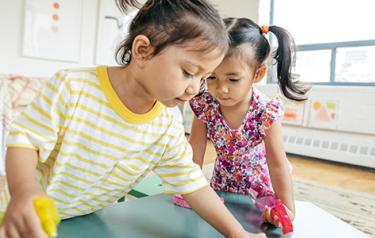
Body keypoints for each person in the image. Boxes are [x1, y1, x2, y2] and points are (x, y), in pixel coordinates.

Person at [0, 1, 266, 237]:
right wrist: (23, 192)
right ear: (142, 51)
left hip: (80, 220)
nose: (194, 89)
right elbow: (25, 141)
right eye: (188, 72)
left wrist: (237, 234)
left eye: (203, 78)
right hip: (17, 213)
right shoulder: (72, 87)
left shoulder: (166, 127)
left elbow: (193, 183)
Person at [188, 17, 310, 227]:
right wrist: (189, 189)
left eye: (233, 79)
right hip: (221, 185)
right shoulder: (205, 105)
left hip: (261, 192)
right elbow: (195, 149)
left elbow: (278, 164)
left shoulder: (265, 112)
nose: (221, 89)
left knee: (259, 228)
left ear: (257, 74)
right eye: (212, 77)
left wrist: (288, 208)